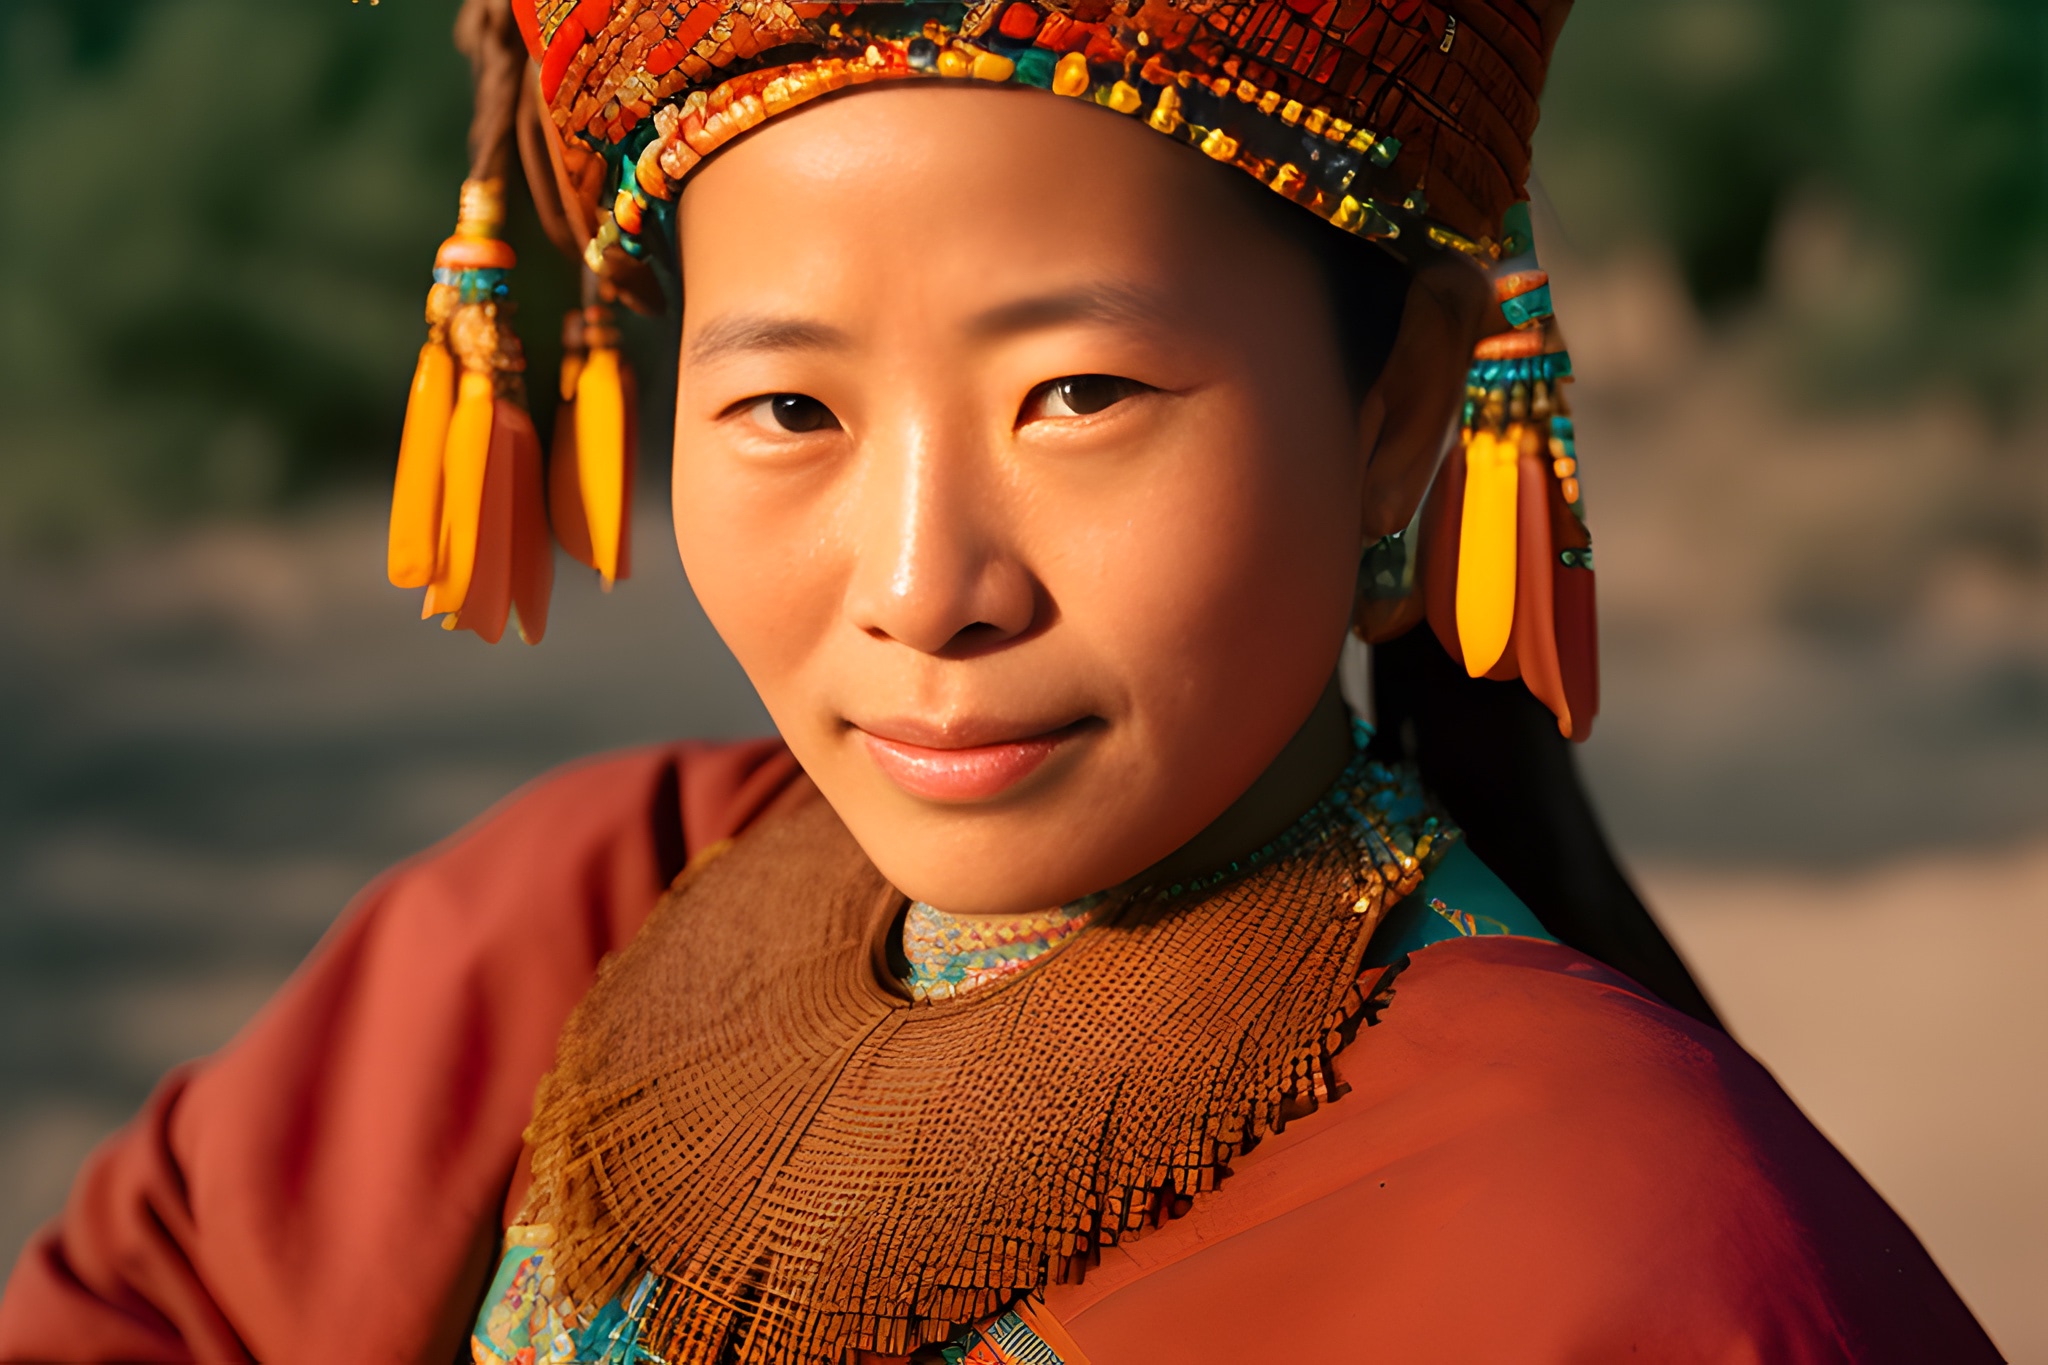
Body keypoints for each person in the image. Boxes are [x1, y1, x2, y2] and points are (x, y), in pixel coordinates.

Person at [0, 1, 2003, 1361]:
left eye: (1078, 394)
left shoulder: (1638, 1246)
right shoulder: (562, 922)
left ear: (1392, 408)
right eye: (787, 404)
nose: (920, 586)